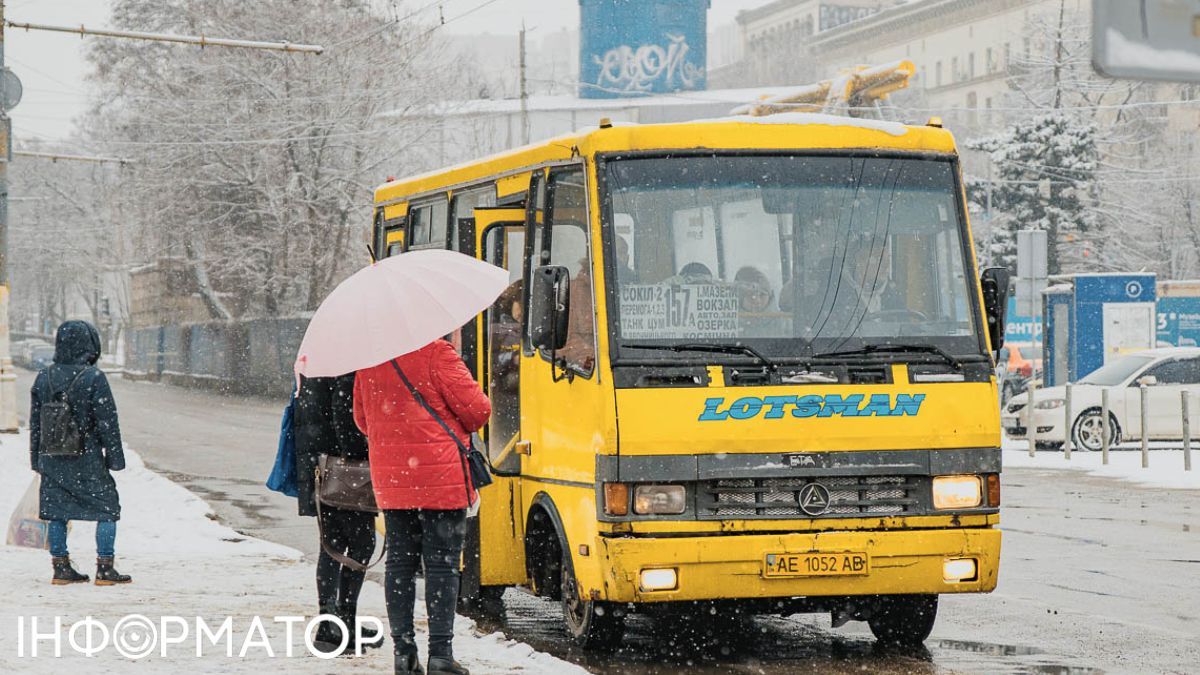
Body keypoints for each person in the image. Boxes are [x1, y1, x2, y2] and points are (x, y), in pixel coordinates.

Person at [354, 339, 491, 675]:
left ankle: (404, 653)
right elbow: (478, 411)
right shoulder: (437, 353)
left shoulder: (369, 358)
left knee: (399, 564)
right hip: (442, 478)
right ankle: (441, 655)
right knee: (442, 566)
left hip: (394, 479)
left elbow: (362, 420)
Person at [29, 320, 130, 586]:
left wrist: (35, 460)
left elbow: (36, 423)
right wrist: (115, 459)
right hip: (88, 458)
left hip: (52, 458)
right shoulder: (93, 378)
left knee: (56, 511)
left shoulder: (44, 377)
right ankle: (105, 569)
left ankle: (61, 567)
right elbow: (108, 421)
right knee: (107, 510)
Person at [294, 373, 380, 655]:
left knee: (333, 545)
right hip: (345, 470)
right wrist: (365, 452)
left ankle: (332, 622)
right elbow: (347, 418)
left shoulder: (320, 357)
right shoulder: (347, 364)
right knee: (360, 545)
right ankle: (341, 622)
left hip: (324, 464)